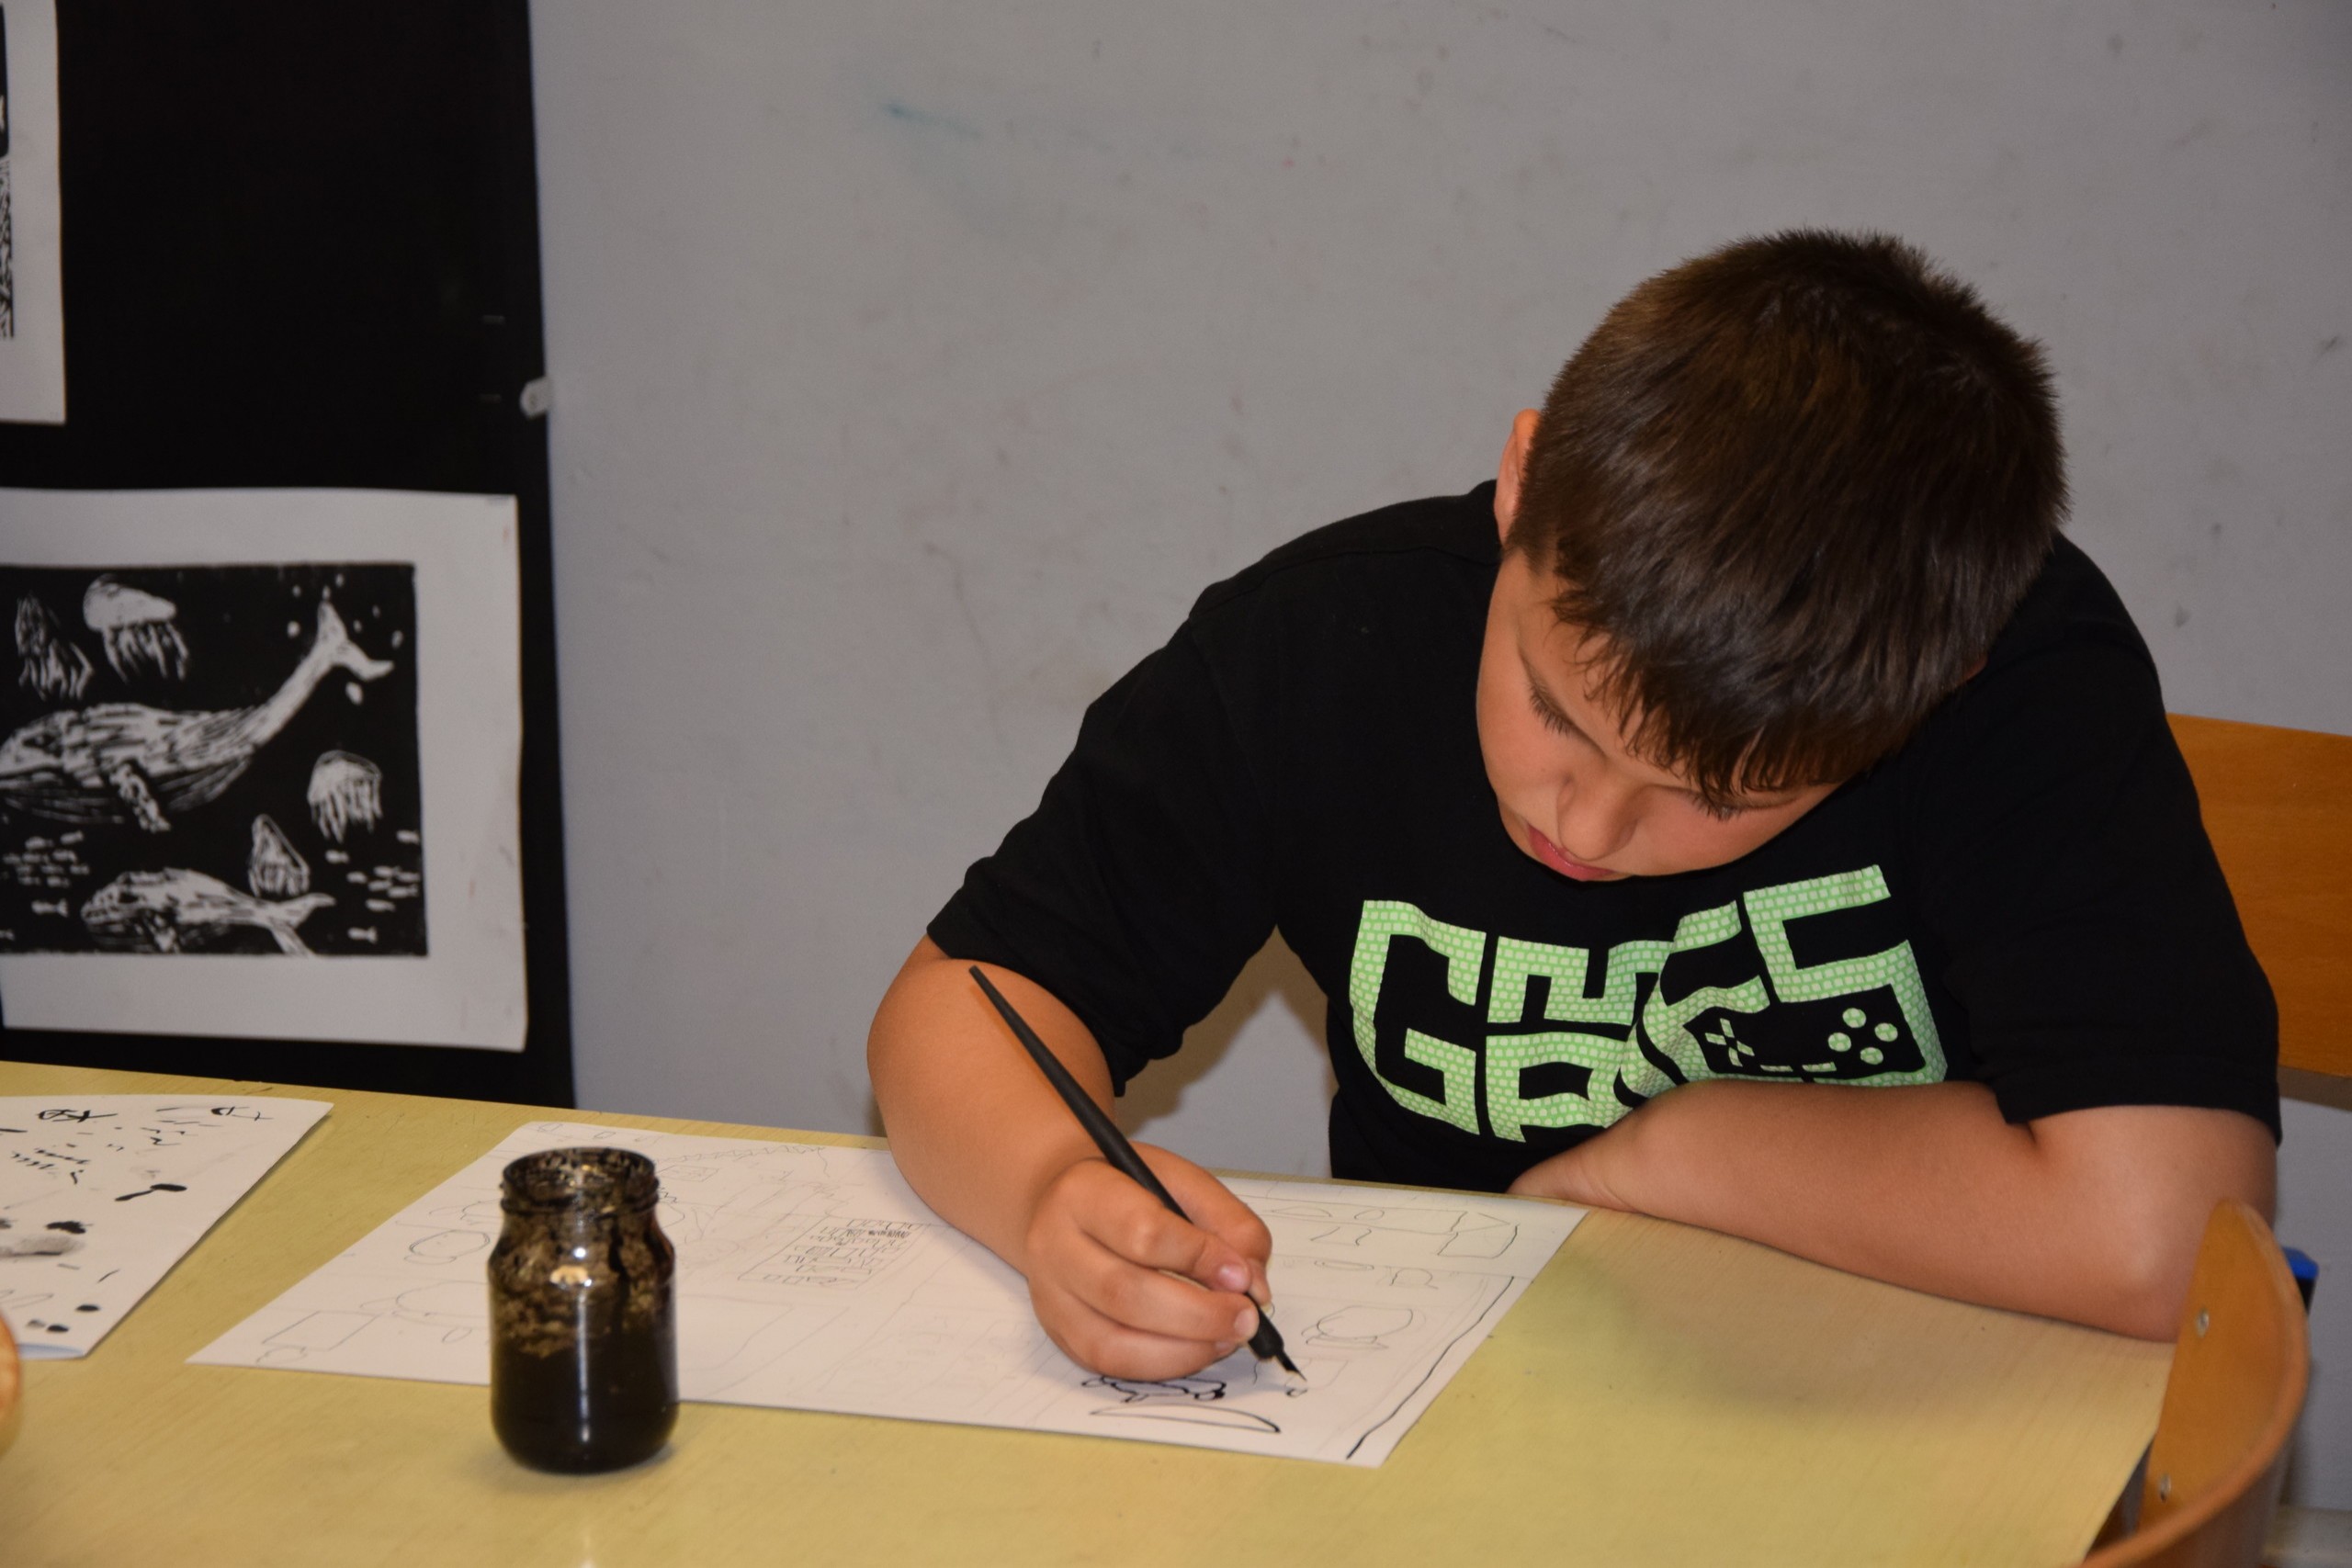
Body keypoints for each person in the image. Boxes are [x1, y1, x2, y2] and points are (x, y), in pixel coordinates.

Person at [867, 231, 2278, 1381]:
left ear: (1930, 697)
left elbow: (2165, 1238)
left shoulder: (2013, 686)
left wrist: (1679, 1152)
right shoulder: (1322, 649)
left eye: (1716, 795)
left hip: (1914, 1404)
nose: (1583, 831)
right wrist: (1050, 1187)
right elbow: (966, 1003)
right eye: (1554, 711)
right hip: (1463, 1402)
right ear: (1523, 484)